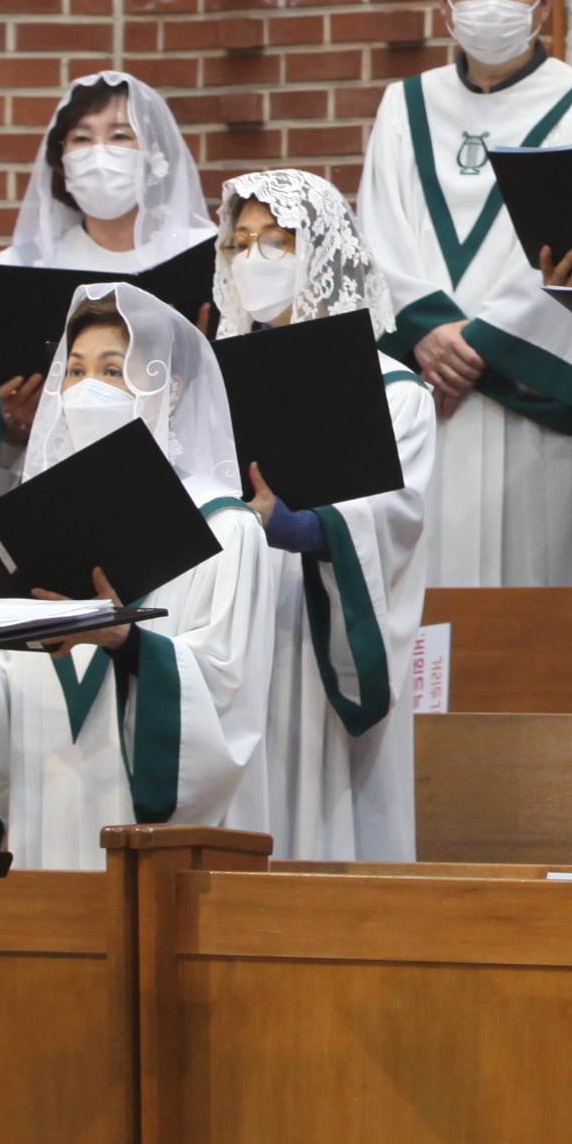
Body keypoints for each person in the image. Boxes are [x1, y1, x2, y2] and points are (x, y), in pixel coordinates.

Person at [0, 286, 270, 865]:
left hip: (157, 837)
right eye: (75, 371)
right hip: (46, 802)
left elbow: (228, 697)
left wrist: (130, 644)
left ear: (170, 388)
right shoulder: (34, 529)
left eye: (112, 370)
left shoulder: (224, 529)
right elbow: (7, 698)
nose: (85, 388)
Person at [358, 0, 572, 586]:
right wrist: (428, 333)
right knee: (428, 602)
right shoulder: (405, 104)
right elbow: (379, 236)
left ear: (544, 3)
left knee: (540, 605)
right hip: (429, 394)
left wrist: (476, 342)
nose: (492, 3)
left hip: (533, 398)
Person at [215, 170, 433, 862]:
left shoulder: (393, 392)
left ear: (321, 252)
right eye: (240, 243)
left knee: (325, 815)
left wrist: (305, 529)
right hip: (230, 626)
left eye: (275, 242)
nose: (253, 259)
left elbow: (396, 518)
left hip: (325, 631)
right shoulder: (210, 389)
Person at [0, 72, 214, 507]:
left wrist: (201, 356)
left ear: (154, 153)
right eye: (81, 138)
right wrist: (14, 420)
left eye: (120, 136)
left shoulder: (208, 255)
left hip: (184, 488)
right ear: (60, 158)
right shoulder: (21, 266)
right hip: (62, 489)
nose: (99, 154)